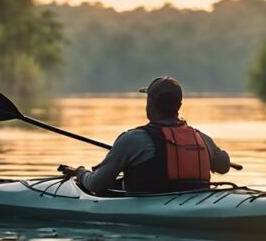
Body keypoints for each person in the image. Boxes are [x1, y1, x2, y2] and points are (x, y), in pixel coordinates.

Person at [61, 76, 231, 194]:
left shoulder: (132, 140)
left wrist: (80, 172)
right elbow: (224, 165)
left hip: (151, 204)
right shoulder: (202, 139)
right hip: (195, 200)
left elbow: (97, 184)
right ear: (179, 105)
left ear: (150, 103)